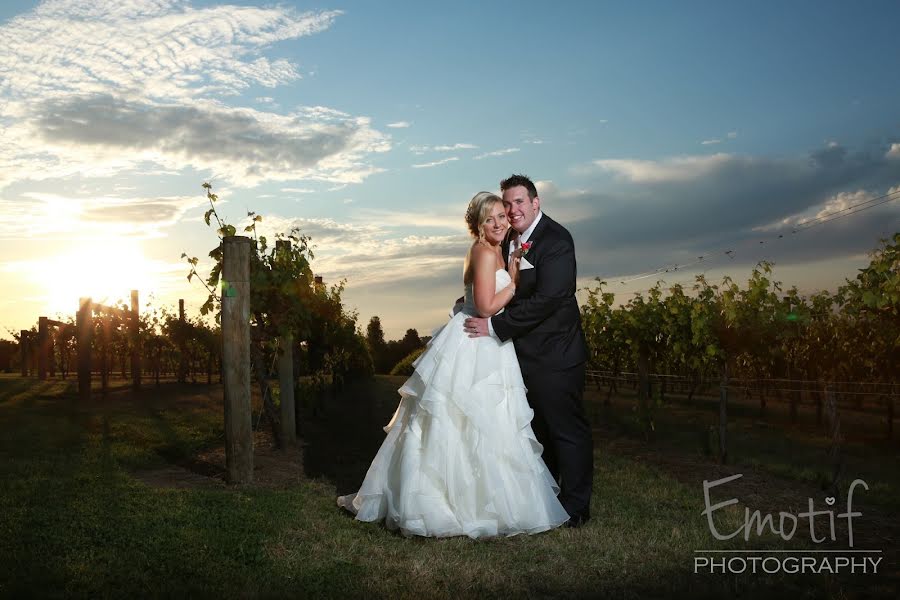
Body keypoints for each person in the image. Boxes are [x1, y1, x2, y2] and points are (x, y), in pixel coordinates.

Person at [337, 192, 569, 538]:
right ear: (477, 226)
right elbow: (488, 307)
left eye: (501, 217)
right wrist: (516, 284)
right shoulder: (484, 251)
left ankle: (480, 501)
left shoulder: (494, 251)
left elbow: (470, 297)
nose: (499, 224)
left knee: (484, 424)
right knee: (460, 422)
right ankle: (450, 505)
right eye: (489, 219)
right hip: (478, 342)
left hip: (488, 343)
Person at [464, 174, 593, 528]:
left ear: (536, 203)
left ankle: (576, 506)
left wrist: (494, 326)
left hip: (556, 355)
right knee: (538, 432)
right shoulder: (509, 240)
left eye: (519, 201)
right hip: (520, 356)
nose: (512, 209)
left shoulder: (556, 239)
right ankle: (543, 498)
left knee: (566, 431)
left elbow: (551, 298)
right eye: (507, 203)